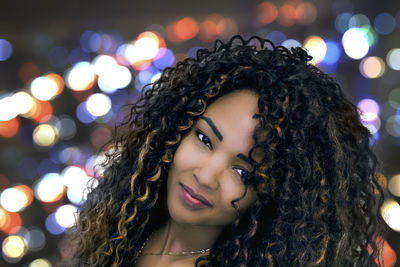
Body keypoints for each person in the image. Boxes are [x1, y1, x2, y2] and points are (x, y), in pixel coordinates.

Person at [65, 35, 387, 266]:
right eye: (204, 140)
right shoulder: (122, 228)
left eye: (244, 172)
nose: (205, 176)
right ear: (176, 131)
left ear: (274, 198)